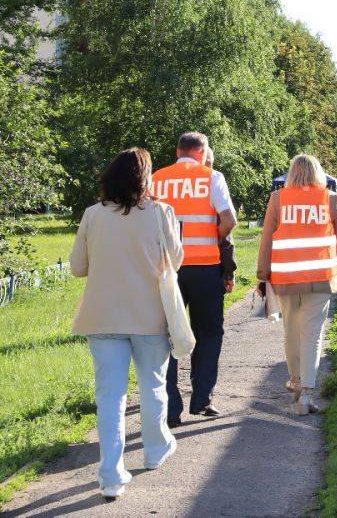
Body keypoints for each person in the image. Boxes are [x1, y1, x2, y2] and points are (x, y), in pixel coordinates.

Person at [70, 148, 183, 500]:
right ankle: (155, 450)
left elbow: (77, 267)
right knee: (152, 386)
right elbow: (176, 260)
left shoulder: (92, 214)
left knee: (110, 397)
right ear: (145, 179)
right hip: (150, 316)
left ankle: (111, 476)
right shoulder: (162, 212)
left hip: (102, 317)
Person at [152, 132, 237, 427]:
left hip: (167, 270)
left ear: (178, 151)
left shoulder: (158, 178)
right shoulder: (211, 177)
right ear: (203, 153)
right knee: (210, 333)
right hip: (205, 266)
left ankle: (170, 408)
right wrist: (216, 239)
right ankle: (202, 399)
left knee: (168, 335)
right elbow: (229, 220)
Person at [257, 154, 337, 414]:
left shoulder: (278, 199)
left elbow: (267, 237)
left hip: (285, 278)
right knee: (312, 335)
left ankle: (295, 382)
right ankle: (306, 395)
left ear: (292, 173)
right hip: (319, 277)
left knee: (291, 331)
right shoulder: (329, 198)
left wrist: (263, 274)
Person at [205, 147, 237, 290]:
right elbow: (226, 238)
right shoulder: (213, 181)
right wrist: (229, 272)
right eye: (210, 162)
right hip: (208, 266)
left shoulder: (165, 181)